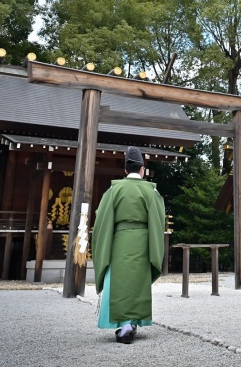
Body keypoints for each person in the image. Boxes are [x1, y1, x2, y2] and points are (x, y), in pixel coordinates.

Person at [92, 146, 166, 344]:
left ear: (125, 170)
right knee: (138, 282)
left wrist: (103, 245)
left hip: (119, 241)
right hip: (143, 241)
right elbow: (158, 222)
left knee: (119, 280)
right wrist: (154, 247)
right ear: (142, 169)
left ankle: (123, 324)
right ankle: (132, 322)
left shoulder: (114, 190)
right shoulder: (151, 191)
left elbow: (102, 222)